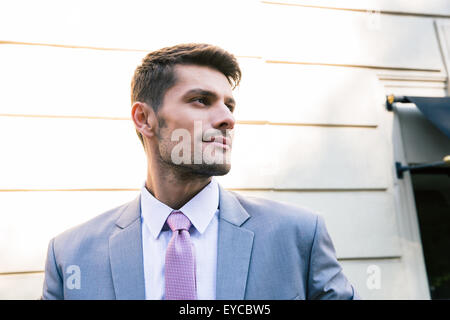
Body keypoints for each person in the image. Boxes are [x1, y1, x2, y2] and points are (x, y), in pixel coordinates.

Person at [41, 43, 359, 300]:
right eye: (201, 100)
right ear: (144, 119)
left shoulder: (299, 235)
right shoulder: (69, 255)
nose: (227, 119)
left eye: (229, 106)